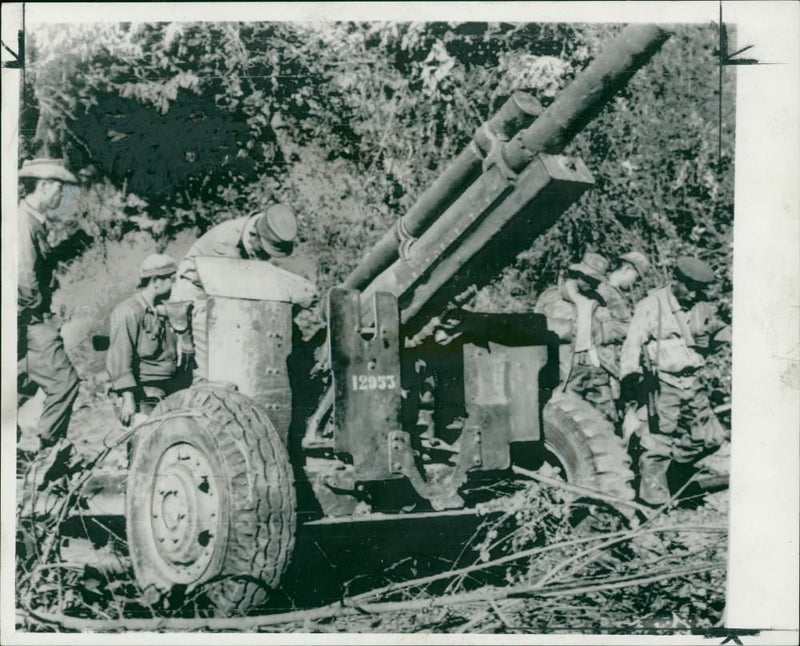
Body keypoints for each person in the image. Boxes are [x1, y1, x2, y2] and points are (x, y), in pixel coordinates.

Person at [619, 256, 730, 507]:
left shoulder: (702, 305)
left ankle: (672, 474)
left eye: (698, 289)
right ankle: (653, 502)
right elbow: (632, 343)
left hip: (693, 382)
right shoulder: (652, 305)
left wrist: (712, 342)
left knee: (712, 437)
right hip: (663, 383)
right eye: (690, 287)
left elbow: (722, 332)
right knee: (659, 443)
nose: (693, 294)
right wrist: (631, 376)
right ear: (676, 280)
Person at [170, 204, 318, 380]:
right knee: (208, 361)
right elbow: (243, 282)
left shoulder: (263, 228)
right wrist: (297, 287)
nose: (265, 256)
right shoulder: (225, 243)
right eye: (263, 250)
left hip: (224, 291)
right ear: (254, 236)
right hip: (197, 293)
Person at [17, 158, 81, 466]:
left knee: (22, 381)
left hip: (29, 318)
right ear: (43, 187)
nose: (61, 196)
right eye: (58, 188)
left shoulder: (32, 222)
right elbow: (25, 279)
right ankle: (41, 448)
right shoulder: (24, 223)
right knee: (65, 381)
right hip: (31, 319)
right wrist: (37, 314)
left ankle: (18, 450)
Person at [106, 254, 187, 425]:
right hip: (144, 394)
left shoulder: (164, 309)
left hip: (169, 388)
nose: (176, 285)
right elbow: (120, 357)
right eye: (172, 280)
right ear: (157, 281)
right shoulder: (128, 312)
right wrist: (128, 398)